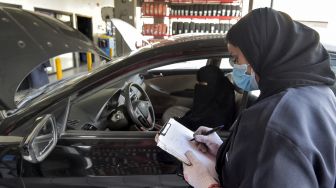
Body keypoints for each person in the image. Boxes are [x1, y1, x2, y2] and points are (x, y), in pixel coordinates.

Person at [182, 8, 336, 188]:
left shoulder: (275, 122)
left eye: (236, 58)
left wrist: (207, 185)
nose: (237, 67)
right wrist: (223, 151)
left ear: (258, 54)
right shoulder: (319, 94)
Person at [163, 64, 236, 131]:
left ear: (213, 85)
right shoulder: (219, 98)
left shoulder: (218, 115)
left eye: (201, 84)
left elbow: (199, 127)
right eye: (198, 83)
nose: (198, 87)